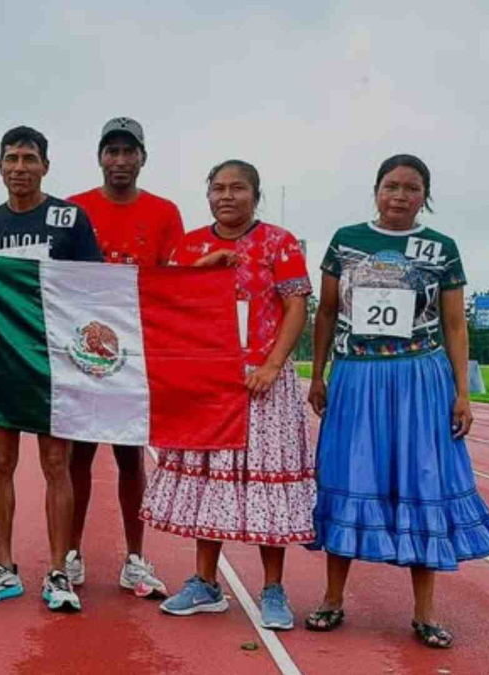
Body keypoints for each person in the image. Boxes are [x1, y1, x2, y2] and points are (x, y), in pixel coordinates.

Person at [304, 154, 489, 648]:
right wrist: (318, 374)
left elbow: (455, 324)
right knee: (347, 476)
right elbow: (326, 311)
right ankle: (332, 599)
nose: (400, 196)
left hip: (420, 376)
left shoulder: (441, 248)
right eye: (391, 186)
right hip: (356, 375)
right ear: (376, 190)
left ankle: (424, 613)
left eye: (412, 188)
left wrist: (463, 393)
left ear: (425, 197)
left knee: (423, 478)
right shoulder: (346, 240)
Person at [140, 159, 315, 631]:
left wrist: (273, 365)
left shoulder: (279, 242)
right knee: (207, 482)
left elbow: (296, 306)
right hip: (207, 382)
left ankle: (273, 589)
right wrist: (202, 268)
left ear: (255, 195)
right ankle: (205, 582)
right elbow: (169, 301)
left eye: (238, 188)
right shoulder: (190, 244)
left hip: (262, 380)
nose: (227, 196)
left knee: (267, 482)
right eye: (218, 188)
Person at [0, 126, 103, 612]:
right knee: (0, 464)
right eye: (11, 159)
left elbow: (93, 287)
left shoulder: (70, 218)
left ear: (45, 165)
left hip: (54, 363)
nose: (19, 167)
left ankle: (59, 570)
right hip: (1, 363)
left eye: (29, 158)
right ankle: (3, 567)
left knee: (56, 464)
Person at [65, 116, 183, 597]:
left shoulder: (164, 212)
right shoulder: (73, 210)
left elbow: (177, 281)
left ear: (142, 158)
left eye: (128, 151)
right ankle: (69, 554)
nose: (119, 160)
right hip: (81, 351)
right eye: (111, 151)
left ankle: (135, 558)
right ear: (100, 157)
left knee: (130, 456)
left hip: (134, 355)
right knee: (77, 456)